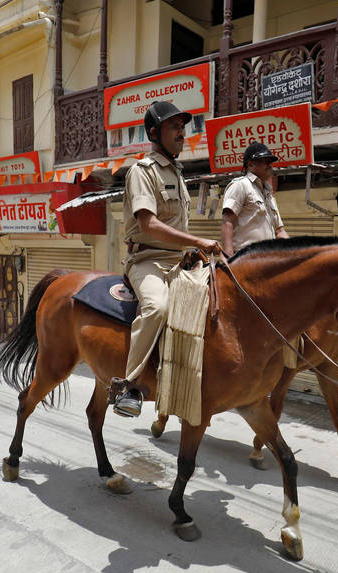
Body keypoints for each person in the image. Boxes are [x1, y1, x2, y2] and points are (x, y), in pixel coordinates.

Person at [112, 101, 222, 417]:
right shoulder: (141, 171)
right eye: (174, 127)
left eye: (182, 127)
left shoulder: (176, 171)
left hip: (180, 261)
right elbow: (149, 225)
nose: (181, 133)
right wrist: (199, 240)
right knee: (156, 307)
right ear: (154, 132)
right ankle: (130, 388)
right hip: (147, 261)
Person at [221, 142, 289, 257]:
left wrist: (296, 250)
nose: (270, 165)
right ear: (250, 164)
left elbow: (280, 231)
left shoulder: (268, 194)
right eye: (265, 161)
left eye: (270, 162)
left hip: (267, 259)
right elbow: (227, 222)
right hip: (245, 259)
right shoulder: (241, 185)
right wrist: (228, 258)